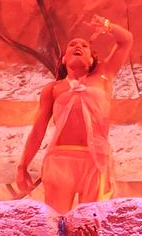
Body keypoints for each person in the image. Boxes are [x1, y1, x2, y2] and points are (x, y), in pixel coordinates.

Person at [13, 16, 133, 212]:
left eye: (84, 46)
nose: (78, 45)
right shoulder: (53, 89)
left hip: (94, 159)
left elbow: (126, 40)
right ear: (63, 59)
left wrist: (107, 26)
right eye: (72, 45)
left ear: (93, 59)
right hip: (60, 159)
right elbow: (38, 130)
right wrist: (22, 166)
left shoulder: (103, 76)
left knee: (90, 221)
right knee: (56, 220)